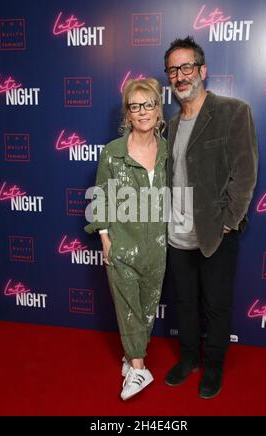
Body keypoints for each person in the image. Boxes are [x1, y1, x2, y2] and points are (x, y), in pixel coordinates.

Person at [164, 36, 258, 399]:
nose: (180, 75)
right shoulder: (170, 126)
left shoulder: (234, 112)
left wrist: (227, 222)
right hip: (176, 234)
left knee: (216, 306)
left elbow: (245, 174)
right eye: (173, 70)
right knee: (185, 303)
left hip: (215, 233)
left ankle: (213, 367)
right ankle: (189, 359)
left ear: (202, 70)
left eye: (187, 67)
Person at [84, 78, 167, 400]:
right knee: (127, 307)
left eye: (149, 105)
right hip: (122, 242)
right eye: (136, 106)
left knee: (147, 308)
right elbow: (101, 196)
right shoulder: (112, 152)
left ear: (158, 109)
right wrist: (105, 237)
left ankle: (130, 356)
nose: (143, 112)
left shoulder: (168, 152)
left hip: (158, 245)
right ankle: (139, 367)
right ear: (128, 113)